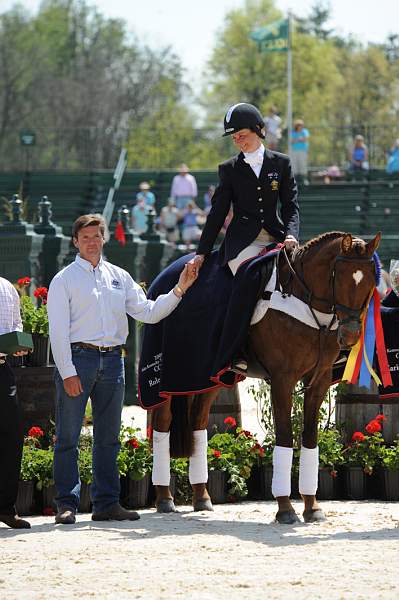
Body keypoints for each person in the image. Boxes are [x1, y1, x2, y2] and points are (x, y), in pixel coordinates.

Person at [47, 214, 197, 525]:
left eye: (96, 236)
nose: (91, 241)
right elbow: (57, 332)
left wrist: (180, 289)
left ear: (104, 239)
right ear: (75, 241)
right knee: (67, 437)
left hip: (114, 361)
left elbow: (149, 312)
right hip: (79, 360)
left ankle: (106, 504)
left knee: (108, 438)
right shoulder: (63, 280)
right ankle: (67, 504)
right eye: (85, 237)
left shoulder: (119, 276)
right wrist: (67, 371)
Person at [190, 102, 299, 370]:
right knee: (252, 277)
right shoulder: (229, 169)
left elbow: (291, 206)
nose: (238, 141)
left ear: (258, 130)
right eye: (234, 138)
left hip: (276, 237)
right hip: (243, 244)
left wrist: (291, 235)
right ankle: (235, 351)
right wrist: (202, 252)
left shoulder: (281, 163)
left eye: (242, 135)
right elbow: (217, 214)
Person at [0, 277, 30, 529]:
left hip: (2, 369)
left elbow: (16, 325)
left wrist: (18, 345)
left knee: (11, 437)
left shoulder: (7, 288)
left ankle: (5, 508)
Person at [290, 119, 310, 184]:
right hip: (294, 151)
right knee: (294, 164)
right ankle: (295, 180)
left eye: (301, 125)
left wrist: (297, 140)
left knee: (303, 164)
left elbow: (305, 139)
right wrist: (299, 139)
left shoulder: (305, 131)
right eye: (299, 125)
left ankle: (304, 179)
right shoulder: (293, 132)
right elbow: (292, 141)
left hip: (303, 150)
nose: (300, 127)